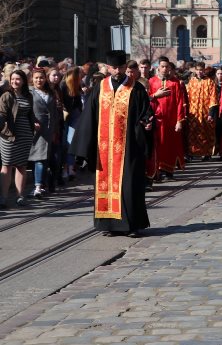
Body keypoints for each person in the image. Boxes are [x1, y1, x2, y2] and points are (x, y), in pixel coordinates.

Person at [70, 51, 152, 236]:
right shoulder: (101, 88)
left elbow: (145, 112)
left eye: (121, 67)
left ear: (126, 67)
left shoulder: (136, 88)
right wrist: (84, 147)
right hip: (104, 148)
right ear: (108, 68)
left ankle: (131, 224)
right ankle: (109, 225)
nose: (117, 71)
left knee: (129, 185)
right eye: (114, 68)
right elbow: (89, 117)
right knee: (105, 184)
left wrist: (147, 121)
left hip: (129, 147)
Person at [0, 70, 37, 208]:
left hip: (25, 135)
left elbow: (30, 113)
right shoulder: (6, 95)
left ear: (23, 81)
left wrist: (35, 123)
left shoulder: (28, 96)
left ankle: (20, 196)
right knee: (7, 165)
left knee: (21, 166)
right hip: (9, 136)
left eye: (18, 79)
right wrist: (3, 129)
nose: (15, 81)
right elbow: (1, 114)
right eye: (13, 79)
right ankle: (3, 197)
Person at [148, 58, 186, 180]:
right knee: (157, 146)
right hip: (156, 120)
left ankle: (169, 171)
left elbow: (180, 102)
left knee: (170, 147)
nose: (165, 69)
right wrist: (155, 95)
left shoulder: (175, 83)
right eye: (162, 66)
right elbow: (145, 99)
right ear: (158, 67)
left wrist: (179, 120)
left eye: (167, 67)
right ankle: (157, 172)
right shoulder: (151, 82)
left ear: (170, 68)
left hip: (171, 121)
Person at [29, 68, 59, 199]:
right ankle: (38, 186)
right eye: (36, 78)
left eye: (41, 77)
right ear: (32, 79)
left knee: (44, 159)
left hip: (49, 130)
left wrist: (55, 130)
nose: (39, 80)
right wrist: (32, 122)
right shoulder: (29, 92)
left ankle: (41, 185)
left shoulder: (50, 92)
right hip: (35, 130)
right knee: (39, 158)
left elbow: (54, 112)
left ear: (45, 79)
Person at [186, 62, 219, 161]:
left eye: (201, 70)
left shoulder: (210, 82)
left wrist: (211, 114)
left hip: (205, 113)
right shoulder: (191, 81)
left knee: (206, 133)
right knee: (192, 133)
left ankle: (206, 153)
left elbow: (213, 98)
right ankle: (192, 152)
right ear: (195, 70)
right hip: (193, 113)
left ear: (204, 70)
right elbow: (187, 96)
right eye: (198, 70)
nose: (199, 72)